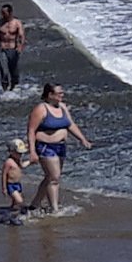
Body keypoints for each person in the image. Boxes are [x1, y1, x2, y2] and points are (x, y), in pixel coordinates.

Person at [27, 83, 92, 214]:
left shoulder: (62, 107)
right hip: (46, 146)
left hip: (61, 146)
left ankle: (35, 204)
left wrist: (82, 139)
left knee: (51, 177)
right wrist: (32, 151)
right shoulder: (41, 109)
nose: (62, 95)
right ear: (50, 95)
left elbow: (70, 124)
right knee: (54, 177)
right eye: (59, 93)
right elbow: (31, 130)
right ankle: (54, 209)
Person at [0, 4, 27, 92]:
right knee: (4, 71)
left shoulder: (17, 23)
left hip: (13, 50)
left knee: (13, 71)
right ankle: (5, 90)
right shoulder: (0, 22)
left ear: (10, 12)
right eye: (2, 13)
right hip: (2, 49)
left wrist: (20, 46)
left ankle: (14, 87)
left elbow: (21, 36)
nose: (2, 14)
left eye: (4, 13)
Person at [1, 140, 28, 214]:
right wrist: (4, 188)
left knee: (15, 202)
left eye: (21, 153)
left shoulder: (18, 160)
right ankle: (23, 213)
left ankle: (11, 213)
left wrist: (30, 161)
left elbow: (22, 166)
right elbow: (4, 174)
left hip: (18, 184)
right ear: (11, 152)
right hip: (11, 185)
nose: (20, 155)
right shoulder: (9, 162)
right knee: (19, 200)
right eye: (18, 153)